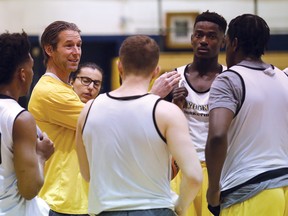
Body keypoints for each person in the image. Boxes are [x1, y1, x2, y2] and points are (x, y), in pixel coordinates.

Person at [76, 35, 203, 216]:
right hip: (155, 209)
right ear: (155, 71)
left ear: (119, 66)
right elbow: (194, 177)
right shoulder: (167, 112)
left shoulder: (88, 110)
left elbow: (87, 174)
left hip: (106, 210)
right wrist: (180, 208)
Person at [205, 14, 288, 216]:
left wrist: (213, 190)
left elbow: (217, 136)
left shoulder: (229, 80)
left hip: (250, 189)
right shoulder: (282, 77)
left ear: (233, 43)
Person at [28, 21, 89, 216]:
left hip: (73, 200)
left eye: (79, 45)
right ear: (49, 49)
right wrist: (147, 98)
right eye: (69, 45)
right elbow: (102, 121)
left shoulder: (65, 88)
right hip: (60, 202)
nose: (76, 52)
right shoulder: (49, 91)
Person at [170, 11, 227, 216]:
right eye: (199, 34)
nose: (204, 41)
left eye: (211, 36)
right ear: (191, 38)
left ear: (223, 41)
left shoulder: (231, 79)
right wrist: (174, 106)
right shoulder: (173, 78)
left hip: (218, 170)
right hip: (180, 167)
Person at [0, 31, 54, 215]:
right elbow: (29, 189)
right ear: (22, 74)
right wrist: (41, 155)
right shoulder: (20, 118)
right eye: (31, 68)